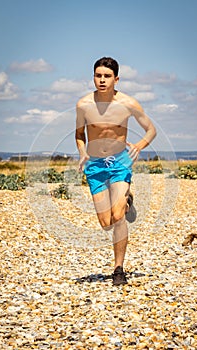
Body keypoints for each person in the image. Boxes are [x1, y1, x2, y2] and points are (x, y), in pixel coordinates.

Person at [75, 57, 156, 285]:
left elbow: (150, 130)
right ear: (93, 77)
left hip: (120, 161)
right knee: (106, 222)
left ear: (116, 79)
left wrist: (139, 146)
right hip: (95, 165)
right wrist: (82, 153)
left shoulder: (128, 104)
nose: (102, 80)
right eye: (98, 75)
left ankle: (118, 269)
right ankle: (128, 200)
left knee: (118, 216)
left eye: (107, 76)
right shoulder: (83, 105)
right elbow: (80, 135)